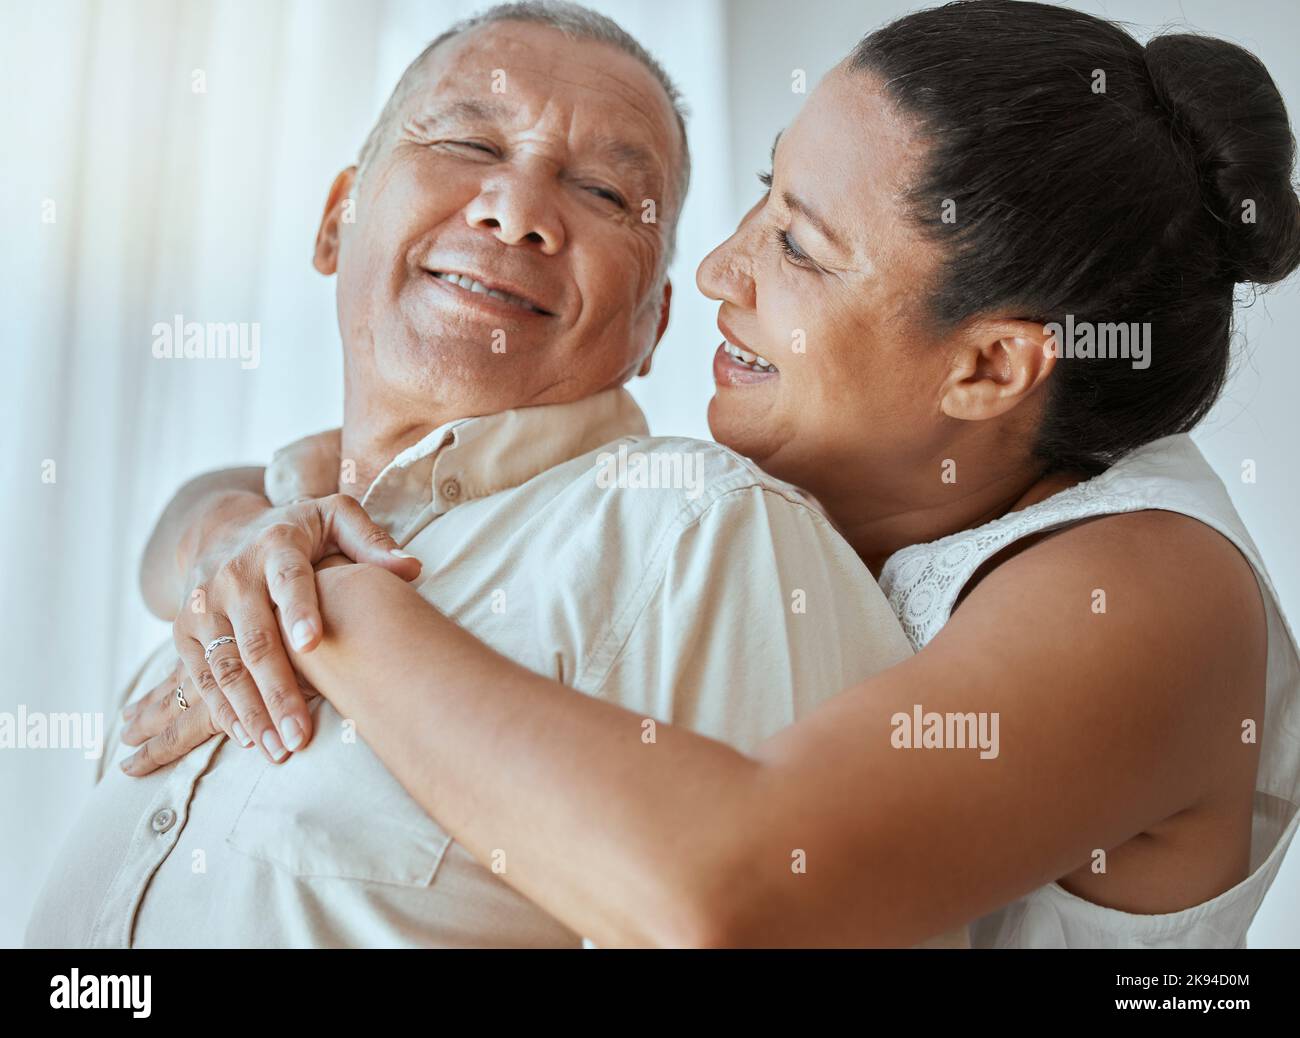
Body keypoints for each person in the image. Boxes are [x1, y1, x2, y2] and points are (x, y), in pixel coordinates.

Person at [103, 0, 1300, 947]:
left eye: (797, 244)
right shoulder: (813, 471)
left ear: (989, 368)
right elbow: (341, 494)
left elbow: (729, 898)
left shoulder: (1145, 589)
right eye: (761, 193)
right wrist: (227, 539)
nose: (725, 269)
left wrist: (332, 605)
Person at [24, 2, 963, 949]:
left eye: (602, 193)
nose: (517, 210)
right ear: (334, 222)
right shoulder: (243, 550)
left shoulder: (711, 535)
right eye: (470, 142)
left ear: (653, 328)